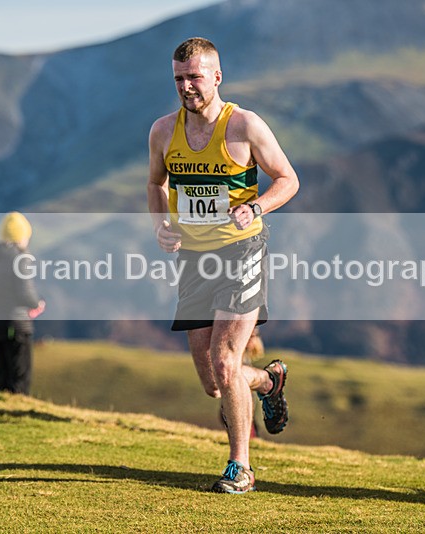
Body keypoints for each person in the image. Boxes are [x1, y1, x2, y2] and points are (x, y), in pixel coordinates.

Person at [147, 37, 299, 493]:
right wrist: (161, 225)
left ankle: (241, 467)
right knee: (214, 382)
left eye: (194, 77)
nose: (186, 87)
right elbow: (156, 183)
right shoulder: (163, 131)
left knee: (225, 360)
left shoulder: (245, 125)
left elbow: (288, 179)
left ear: (216, 76)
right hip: (194, 259)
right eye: (179, 79)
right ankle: (268, 382)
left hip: (242, 252)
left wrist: (256, 207)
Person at [0, 211, 45, 395]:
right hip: (16, 324)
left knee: (1, 380)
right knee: (19, 379)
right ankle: (16, 409)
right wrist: (36, 304)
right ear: (21, 236)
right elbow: (24, 291)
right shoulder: (20, 258)